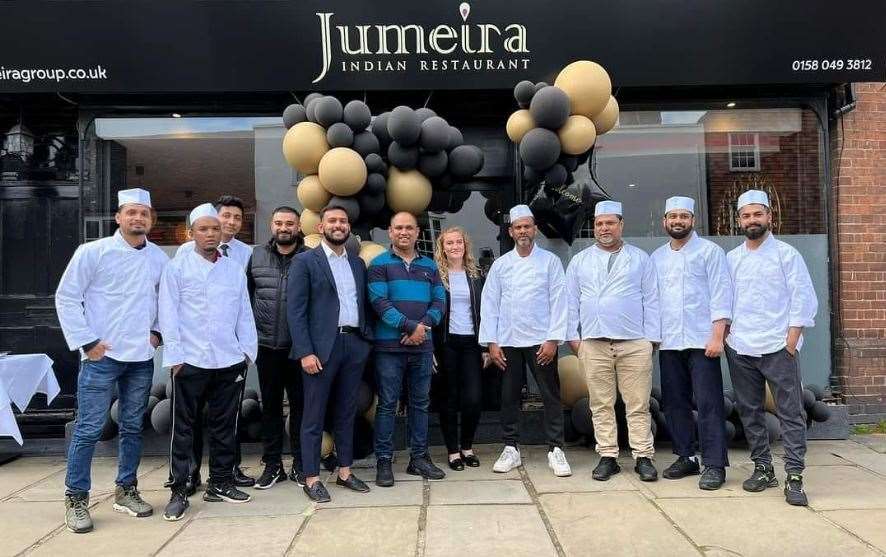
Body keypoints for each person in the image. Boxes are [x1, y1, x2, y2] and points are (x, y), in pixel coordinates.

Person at [55, 188, 168, 533]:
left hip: (140, 357)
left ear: (150, 220)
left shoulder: (159, 259)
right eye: (131, 213)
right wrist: (87, 342)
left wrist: (158, 333)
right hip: (100, 357)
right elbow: (67, 297)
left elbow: (168, 302)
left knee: (133, 426)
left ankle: (126, 489)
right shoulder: (93, 252)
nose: (138, 219)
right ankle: (76, 498)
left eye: (144, 214)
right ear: (118, 217)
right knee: (89, 428)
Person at [159, 203, 258, 521]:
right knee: (183, 428)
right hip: (190, 360)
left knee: (225, 426)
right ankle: (179, 488)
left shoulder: (232, 268)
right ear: (191, 233)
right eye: (204, 228)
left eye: (215, 228)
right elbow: (168, 313)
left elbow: (244, 310)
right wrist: (174, 357)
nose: (211, 233)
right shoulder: (177, 268)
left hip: (229, 359)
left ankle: (221, 482)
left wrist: (247, 352)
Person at [725, 190, 818, 506]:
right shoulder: (732, 258)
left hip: (778, 347)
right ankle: (763, 467)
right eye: (746, 216)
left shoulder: (787, 255)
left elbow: (803, 299)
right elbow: (725, 302)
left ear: (769, 217)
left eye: (757, 214)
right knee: (750, 411)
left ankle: (794, 476)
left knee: (790, 412)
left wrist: (791, 342)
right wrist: (727, 338)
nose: (752, 220)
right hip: (740, 346)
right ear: (739, 220)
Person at [565, 200, 660, 482]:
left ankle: (643, 456)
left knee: (638, 403)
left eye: (610, 223)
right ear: (593, 227)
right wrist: (574, 338)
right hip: (593, 343)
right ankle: (608, 456)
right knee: (601, 403)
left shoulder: (641, 258)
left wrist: (651, 340)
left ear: (621, 225)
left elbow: (652, 300)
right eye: (599, 224)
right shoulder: (580, 260)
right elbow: (570, 302)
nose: (604, 228)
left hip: (634, 342)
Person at [288, 205, 374, 503]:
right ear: (321, 227)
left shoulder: (357, 265)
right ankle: (311, 478)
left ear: (349, 227)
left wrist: (365, 342)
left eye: (343, 221)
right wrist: (305, 352)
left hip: (353, 346)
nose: (338, 225)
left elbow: (362, 304)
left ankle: (345, 472)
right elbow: (295, 312)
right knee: (313, 415)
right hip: (320, 350)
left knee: (346, 412)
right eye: (332, 221)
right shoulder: (304, 262)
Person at [479, 205, 571, 477]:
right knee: (508, 396)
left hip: (542, 341)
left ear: (535, 229)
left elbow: (559, 301)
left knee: (550, 395)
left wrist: (554, 339)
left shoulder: (550, 262)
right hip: (508, 340)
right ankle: (511, 448)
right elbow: (490, 304)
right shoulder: (501, 265)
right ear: (510, 232)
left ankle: (556, 449)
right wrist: (491, 342)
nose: (523, 231)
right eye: (518, 227)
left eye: (527, 226)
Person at [651, 196, 732, 490]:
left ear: (692, 220)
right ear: (664, 222)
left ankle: (714, 464)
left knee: (709, 403)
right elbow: (653, 300)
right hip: (670, 341)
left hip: (703, 341)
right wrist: (653, 337)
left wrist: (718, 335)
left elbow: (722, 295)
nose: (677, 221)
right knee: (674, 403)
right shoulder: (657, 258)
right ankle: (686, 456)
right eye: (672, 217)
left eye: (683, 216)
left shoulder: (710, 252)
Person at [368, 211, 447, 487]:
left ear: (417, 233)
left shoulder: (430, 266)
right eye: (398, 227)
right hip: (389, 349)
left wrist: (421, 328)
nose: (404, 232)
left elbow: (439, 303)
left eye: (409, 228)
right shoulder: (379, 265)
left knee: (420, 403)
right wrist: (408, 327)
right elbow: (379, 303)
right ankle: (384, 461)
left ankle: (419, 458)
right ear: (390, 232)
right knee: (388, 405)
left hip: (422, 347)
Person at [247, 206, 306, 489]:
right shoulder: (256, 255)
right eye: (279, 223)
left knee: (300, 408)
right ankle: (272, 465)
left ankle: (300, 464)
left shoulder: (310, 258)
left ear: (298, 226)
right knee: (269, 407)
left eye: (290, 223)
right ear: (272, 225)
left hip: (299, 348)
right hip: (266, 346)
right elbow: (246, 299)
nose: (284, 228)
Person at [432, 226, 488, 471]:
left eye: (458, 242)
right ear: (442, 248)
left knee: (474, 399)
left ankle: (468, 446)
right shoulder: (435, 276)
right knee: (449, 399)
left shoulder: (476, 276)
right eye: (449, 243)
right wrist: (430, 349)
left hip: (472, 344)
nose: (454, 246)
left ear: (465, 246)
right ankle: (453, 451)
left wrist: (486, 346)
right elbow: (429, 314)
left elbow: (485, 313)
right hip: (446, 343)